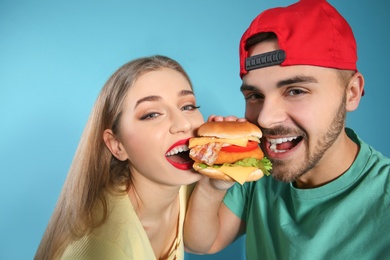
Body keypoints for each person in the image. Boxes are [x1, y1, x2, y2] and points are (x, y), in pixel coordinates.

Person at [184, 0, 390, 259]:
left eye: (295, 91)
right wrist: (216, 177)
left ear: (351, 92)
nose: (267, 119)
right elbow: (204, 242)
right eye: (255, 95)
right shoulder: (258, 169)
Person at [35, 55, 204, 260]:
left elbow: (204, 241)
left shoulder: (180, 186)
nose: (184, 123)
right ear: (117, 145)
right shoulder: (105, 247)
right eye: (151, 114)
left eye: (188, 106)